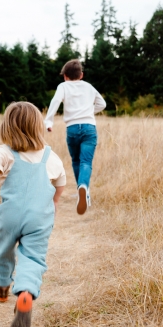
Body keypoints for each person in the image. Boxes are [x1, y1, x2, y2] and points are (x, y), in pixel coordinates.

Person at [0, 102, 66, 327]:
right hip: (39, 218)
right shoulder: (51, 156)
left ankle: (3, 286)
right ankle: (25, 292)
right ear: (38, 127)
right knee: (33, 257)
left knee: (4, 250)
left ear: (7, 127)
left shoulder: (5, 152)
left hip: (10, 214)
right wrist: (53, 203)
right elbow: (61, 183)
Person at [44, 59, 106, 215]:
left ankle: (82, 190)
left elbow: (55, 101)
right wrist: (90, 112)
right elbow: (102, 104)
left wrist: (49, 121)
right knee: (86, 161)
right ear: (81, 75)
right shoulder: (89, 87)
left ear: (65, 76)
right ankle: (84, 189)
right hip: (89, 128)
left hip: (72, 129)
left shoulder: (63, 86)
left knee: (76, 160)